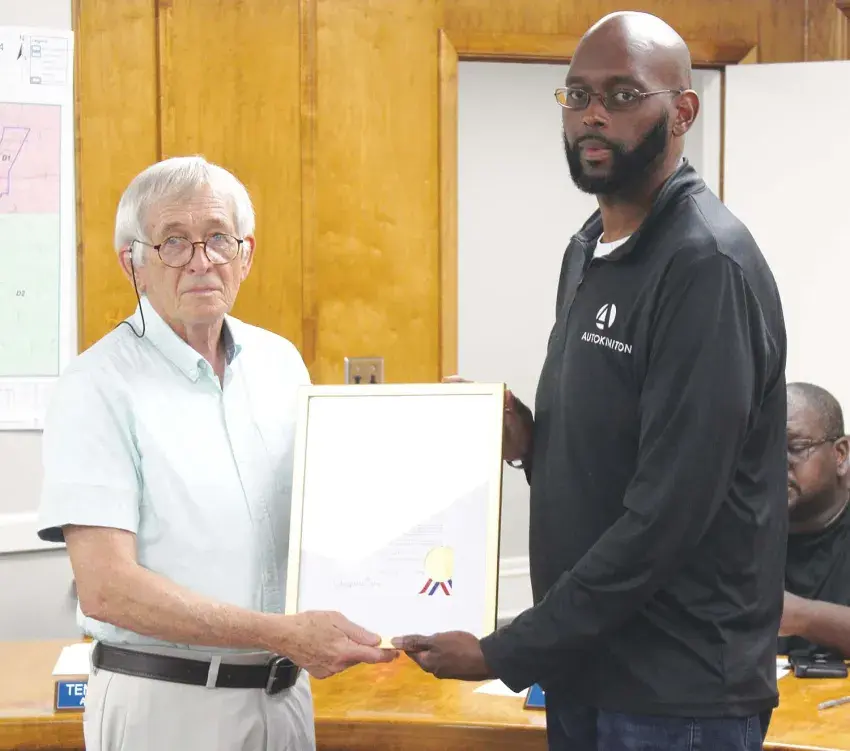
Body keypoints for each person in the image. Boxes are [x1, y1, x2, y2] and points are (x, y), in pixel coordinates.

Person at [393, 11, 787, 751]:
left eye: (622, 94)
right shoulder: (588, 249)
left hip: (677, 695)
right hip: (587, 673)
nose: (592, 115)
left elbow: (667, 514)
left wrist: (506, 650)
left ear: (683, 111)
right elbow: (614, 458)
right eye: (576, 96)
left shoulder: (705, 266)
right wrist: (528, 440)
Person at [36, 156, 396, 751]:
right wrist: (281, 633)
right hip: (168, 708)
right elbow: (106, 587)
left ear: (245, 254)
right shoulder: (96, 385)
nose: (201, 261)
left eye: (218, 238)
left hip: (286, 700)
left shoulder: (281, 364)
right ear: (134, 264)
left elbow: (324, 519)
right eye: (174, 242)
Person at [780, 382, 850, 660]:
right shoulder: (742, 529)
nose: (775, 461)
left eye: (795, 447)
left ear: (840, 454)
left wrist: (800, 617)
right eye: (763, 446)